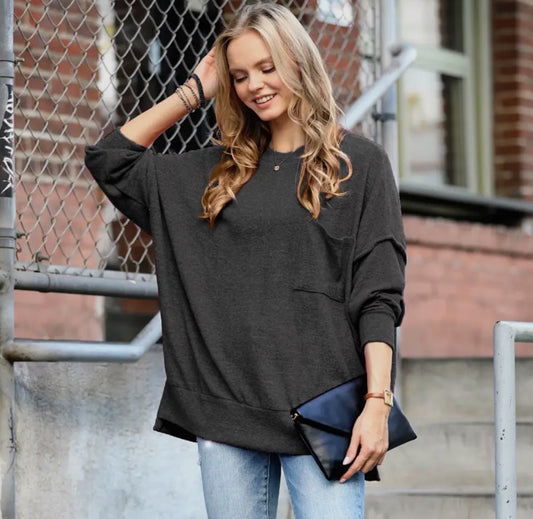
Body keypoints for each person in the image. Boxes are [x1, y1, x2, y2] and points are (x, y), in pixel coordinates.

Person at [85, 3, 406, 518]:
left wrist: (377, 402)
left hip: (323, 407)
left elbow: (379, 295)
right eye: (239, 76)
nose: (254, 85)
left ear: (298, 61)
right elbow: (111, 159)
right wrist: (194, 90)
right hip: (226, 408)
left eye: (266, 67)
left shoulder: (358, 163)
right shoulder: (215, 174)